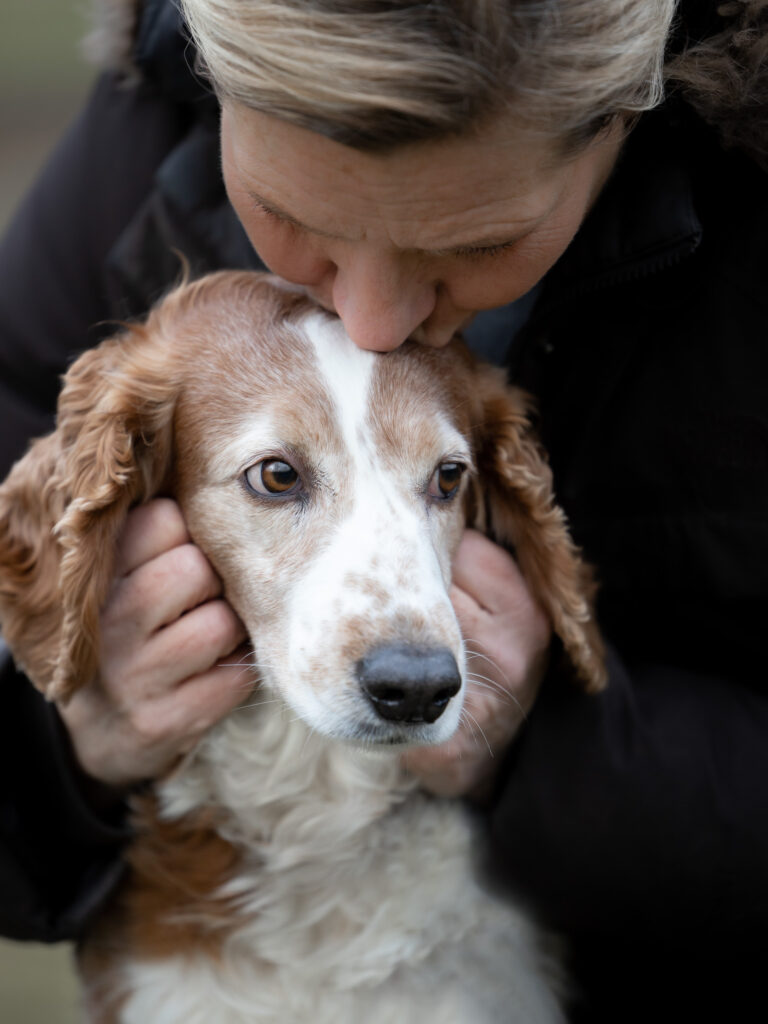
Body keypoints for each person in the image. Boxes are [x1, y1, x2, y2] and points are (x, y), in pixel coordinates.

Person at [0, 0, 766, 1018]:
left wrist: (553, 749)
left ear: (628, 118)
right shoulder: (151, 109)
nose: (372, 321)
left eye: (478, 240)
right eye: (293, 213)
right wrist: (67, 732)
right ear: (215, 90)